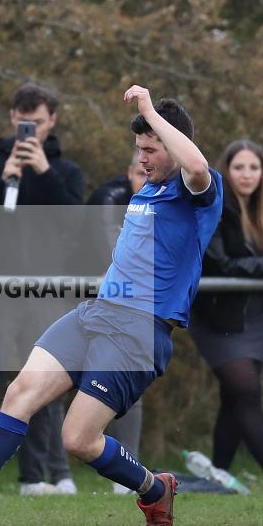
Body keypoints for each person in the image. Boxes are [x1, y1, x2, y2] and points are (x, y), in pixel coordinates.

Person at [0, 85, 223, 526]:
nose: (142, 159)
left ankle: (155, 489)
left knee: (77, 439)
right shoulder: (145, 190)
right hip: (96, 313)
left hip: (139, 332)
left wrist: (150, 109)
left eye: (151, 149)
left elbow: (195, 164)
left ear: (172, 143)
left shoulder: (196, 192)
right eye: (139, 149)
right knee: (19, 393)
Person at [0, 83, 82, 495]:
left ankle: (39, 476)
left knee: (42, 386)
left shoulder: (65, 171)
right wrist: (2, 181)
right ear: (13, 117)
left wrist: (45, 172)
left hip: (46, 292)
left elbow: (73, 223)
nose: (30, 128)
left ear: (53, 121)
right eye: (23, 119)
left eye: (39, 121)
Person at [189, 139, 263, 495]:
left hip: (255, 312)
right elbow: (219, 263)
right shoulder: (213, 199)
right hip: (215, 313)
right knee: (245, 387)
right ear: (226, 169)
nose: (246, 175)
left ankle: (219, 477)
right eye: (239, 167)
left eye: (253, 168)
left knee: (236, 396)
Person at [84, 150, 146, 494]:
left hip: (131, 306)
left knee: (128, 387)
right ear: (128, 173)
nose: (145, 178)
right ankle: (53, 474)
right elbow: (112, 253)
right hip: (87, 300)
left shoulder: (166, 201)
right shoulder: (109, 198)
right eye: (139, 171)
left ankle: (128, 471)